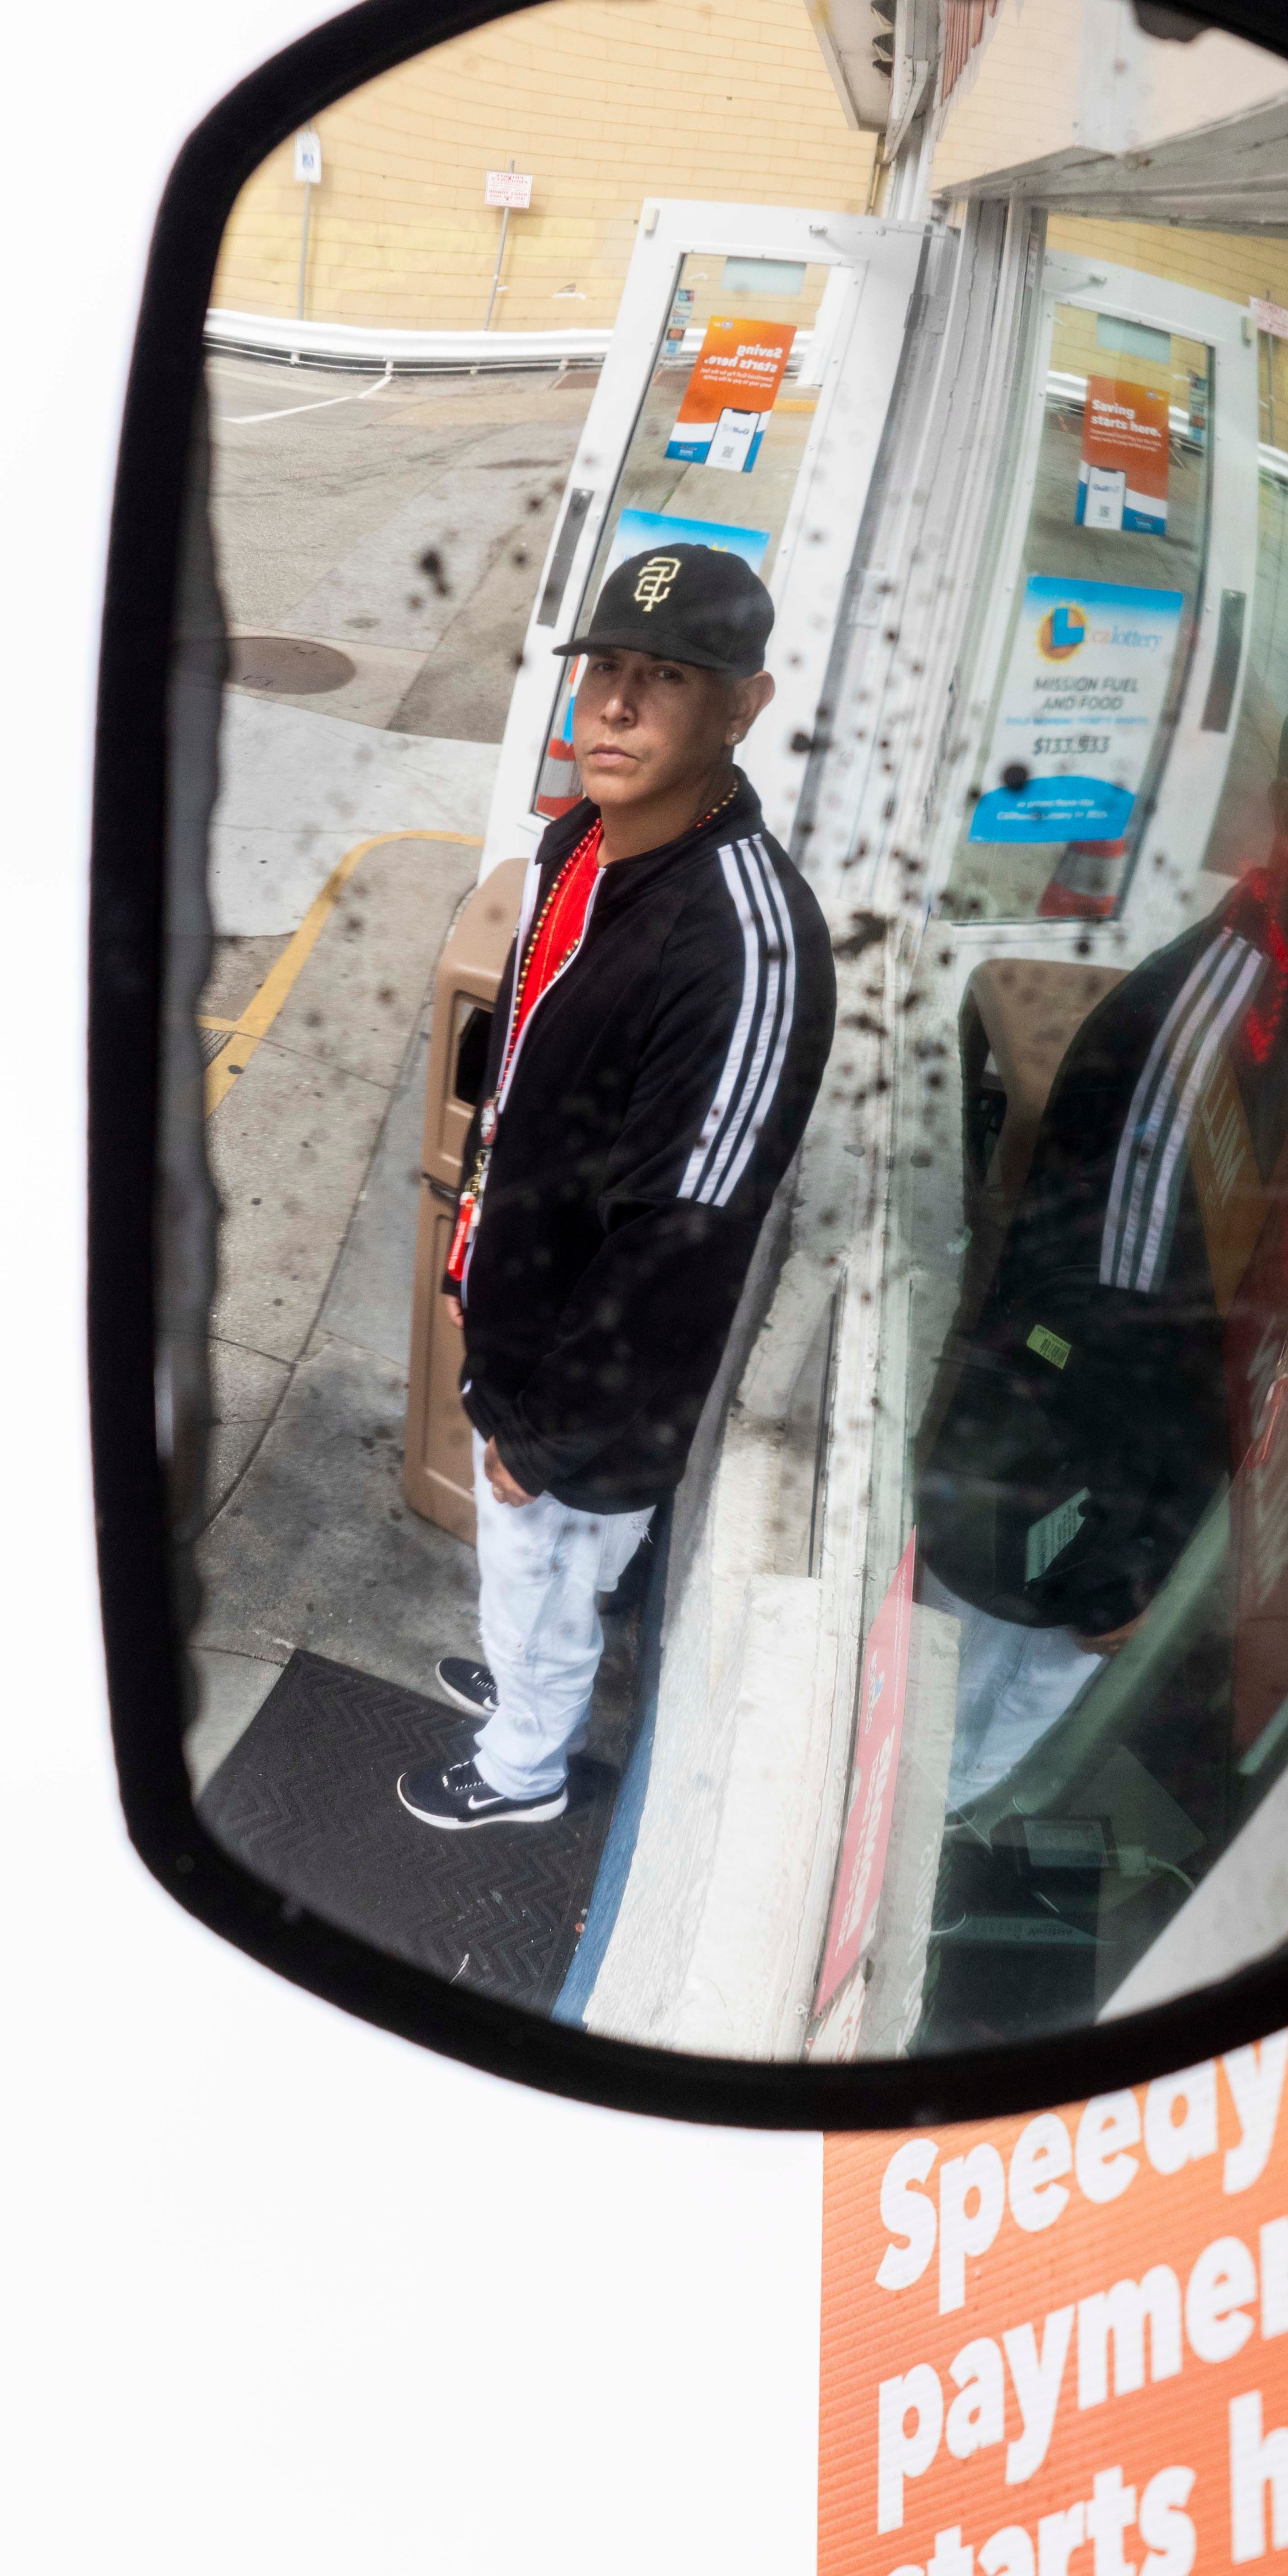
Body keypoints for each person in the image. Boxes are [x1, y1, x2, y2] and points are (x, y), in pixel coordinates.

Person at [397, 541, 835, 1830]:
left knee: (548, 1564)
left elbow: (683, 1239)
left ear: (746, 704)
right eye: (606, 673)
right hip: (523, 1328)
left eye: (669, 679)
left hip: (584, 1399)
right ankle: (528, 1681)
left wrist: (548, 1432)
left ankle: (524, 1766)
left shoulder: (745, 940)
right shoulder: (585, 838)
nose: (619, 708)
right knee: (528, 1574)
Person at [915, 696, 1288, 1823]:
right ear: (1287, 825)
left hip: (1158, 1488)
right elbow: (1101, 1320)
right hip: (1059, 1509)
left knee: (997, 1764)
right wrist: (1123, 1567)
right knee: (945, 1759)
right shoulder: (1214, 1020)